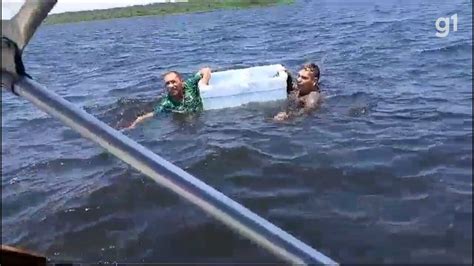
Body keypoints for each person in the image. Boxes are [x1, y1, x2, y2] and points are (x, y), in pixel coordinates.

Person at [128, 67, 211, 128]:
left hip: (201, 117)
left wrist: (203, 83)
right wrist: (136, 122)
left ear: (181, 82)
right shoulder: (167, 102)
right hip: (183, 122)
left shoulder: (190, 84)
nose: (170, 86)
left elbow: (206, 70)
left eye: (173, 82)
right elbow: (154, 114)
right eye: (167, 83)